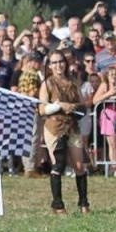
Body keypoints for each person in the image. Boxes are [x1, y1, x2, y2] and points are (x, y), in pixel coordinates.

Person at [39, 49, 90, 214]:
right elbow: (42, 109)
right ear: (49, 65)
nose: (58, 65)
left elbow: (82, 105)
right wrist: (59, 106)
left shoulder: (73, 82)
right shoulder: (47, 84)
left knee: (79, 165)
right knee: (58, 164)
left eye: (60, 61)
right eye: (54, 62)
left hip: (72, 126)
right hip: (54, 128)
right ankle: (58, 205)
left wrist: (73, 107)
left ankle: (84, 203)